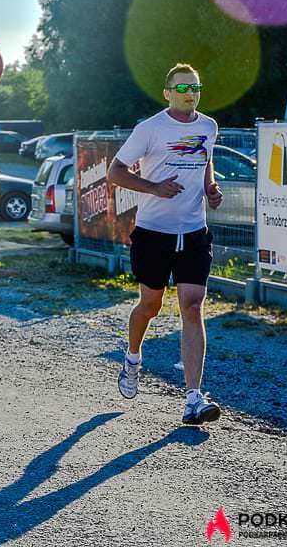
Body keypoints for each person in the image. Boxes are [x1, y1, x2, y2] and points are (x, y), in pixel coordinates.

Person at [106, 63, 224, 425]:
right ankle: (133, 357)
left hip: (193, 231)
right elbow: (115, 171)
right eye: (183, 87)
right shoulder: (150, 128)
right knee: (151, 305)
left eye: (196, 87)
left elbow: (206, 162)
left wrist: (210, 187)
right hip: (153, 232)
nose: (190, 93)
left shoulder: (208, 127)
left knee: (192, 306)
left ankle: (193, 398)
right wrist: (154, 188)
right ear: (168, 92)